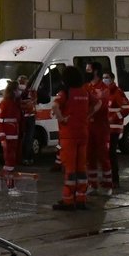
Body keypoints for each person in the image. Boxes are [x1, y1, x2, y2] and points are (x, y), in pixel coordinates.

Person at [52, 65, 93, 210]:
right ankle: (81, 198)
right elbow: (98, 103)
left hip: (69, 136)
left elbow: (55, 106)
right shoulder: (85, 92)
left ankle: (68, 200)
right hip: (83, 134)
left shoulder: (65, 93)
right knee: (81, 168)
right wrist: (87, 116)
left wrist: (62, 118)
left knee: (70, 169)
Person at [96, 70, 129, 195]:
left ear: (112, 79)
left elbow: (126, 108)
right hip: (105, 128)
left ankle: (115, 180)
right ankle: (107, 179)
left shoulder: (117, 92)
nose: (105, 79)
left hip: (114, 128)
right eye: (103, 77)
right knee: (104, 154)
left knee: (111, 154)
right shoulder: (103, 92)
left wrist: (114, 117)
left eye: (107, 77)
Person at [0, 74, 32, 194]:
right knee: (10, 162)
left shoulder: (15, 103)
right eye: (17, 90)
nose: (19, 92)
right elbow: (0, 122)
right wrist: (2, 139)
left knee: (11, 161)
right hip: (8, 137)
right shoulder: (5, 103)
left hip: (15, 136)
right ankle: (10, 187)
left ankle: (1, 179)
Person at [86, 67, 110, 198]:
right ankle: (92, 184)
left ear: (96, 72)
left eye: (89, 70)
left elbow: (101, 104)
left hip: (101, 127)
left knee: (103, 156)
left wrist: (88, 113)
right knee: (90, 157)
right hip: (89, 126)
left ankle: (107, 185)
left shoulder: (104, 88)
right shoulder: (86, 86)